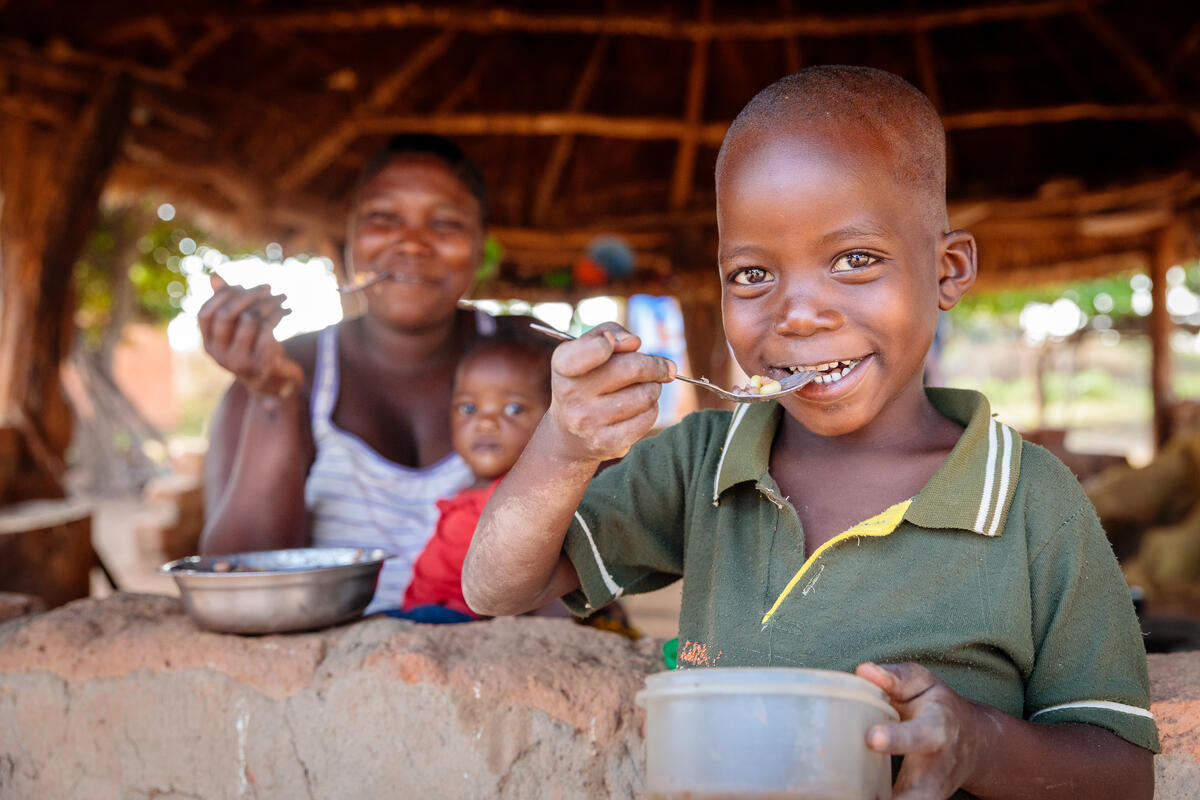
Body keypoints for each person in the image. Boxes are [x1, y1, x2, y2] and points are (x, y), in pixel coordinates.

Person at [462, 66, 1157, 799]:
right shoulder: (704, 465)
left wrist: (980, 743)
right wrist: (564, 446)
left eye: (855, 260)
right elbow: (497, 587)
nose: (798, 313)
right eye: (752, 275)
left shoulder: (1029, 503)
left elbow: (1121, 770)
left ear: (948, 269)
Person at [199, 134, 526, 613]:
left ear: (481, 245)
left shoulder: (532, 358)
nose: (412, 243)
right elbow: (236, 579)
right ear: (350, 236)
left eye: (446, 223)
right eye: (384, 218)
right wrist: (274, 401)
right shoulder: (286, 370)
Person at [397, 333, 553, 621]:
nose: (485, 422)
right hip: (425, 611)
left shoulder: (529, 503)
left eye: (513, 408)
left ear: (554, 419)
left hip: (466, 622)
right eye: (469, 408)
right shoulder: (466, 491)